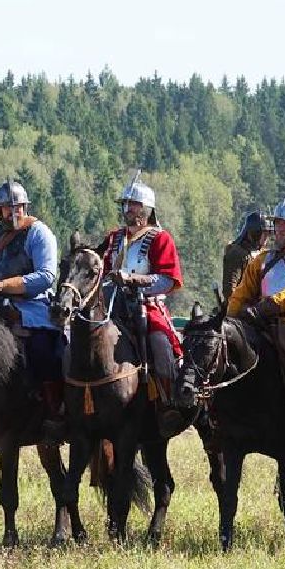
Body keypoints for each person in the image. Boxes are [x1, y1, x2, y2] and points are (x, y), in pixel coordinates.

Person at [225, 195, 285, 451]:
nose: (279, 228)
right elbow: (242, 292)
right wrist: (231, 318)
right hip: (258, 323)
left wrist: (268, 305)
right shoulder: (262, 259)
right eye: (277, 223)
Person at [0, 179, 64, 436]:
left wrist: (3, 286)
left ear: (25, 207)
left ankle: (53, 409)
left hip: (33, 306)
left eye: (18, 207)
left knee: (43, 350)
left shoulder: (39, 233)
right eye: (8, 208)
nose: (14, 212)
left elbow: (46, 276)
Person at [99, 173, 185, 410]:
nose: (127, 209)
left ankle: (169, 403)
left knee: (160, 343)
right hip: (111, 303)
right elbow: (103, 270)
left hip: (145, 304)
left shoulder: (160, 238)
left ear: (146, 208)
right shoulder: (115, 237)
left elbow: (168, 280)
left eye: (133, 204)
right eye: (125, 204)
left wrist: (132, 279)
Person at [222, 209, 267, 299]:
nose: (266, 237)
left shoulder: (263, 253)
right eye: (264, 233)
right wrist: (238, 307)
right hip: (241, 306)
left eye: (268, 233)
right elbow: (230, 289)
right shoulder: (237, 253)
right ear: (256, 233)